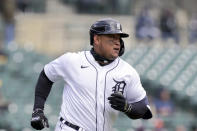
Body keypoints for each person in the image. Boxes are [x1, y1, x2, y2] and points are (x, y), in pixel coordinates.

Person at [30, 18, 153, 131]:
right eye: (112, 37)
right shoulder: (72, 60)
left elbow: (144, 109)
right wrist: (38, 110)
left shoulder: (127, 72)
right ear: (97, 39)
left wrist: (128, 107)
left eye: (119, 38)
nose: (117, 42)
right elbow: (46, 75)